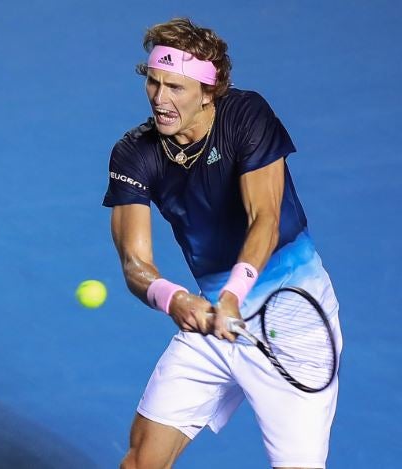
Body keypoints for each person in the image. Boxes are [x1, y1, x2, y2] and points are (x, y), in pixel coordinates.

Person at [103, 17, 342, 469]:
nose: (160, 98)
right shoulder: (134, 153)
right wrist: (174, 300)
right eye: (153, 83)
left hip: (291, 325)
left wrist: (235, 293)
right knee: (141, 461)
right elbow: (135, 264)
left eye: (176, 87)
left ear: (209, 92)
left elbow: (265, 220)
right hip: (211, 320)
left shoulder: (246, 114)